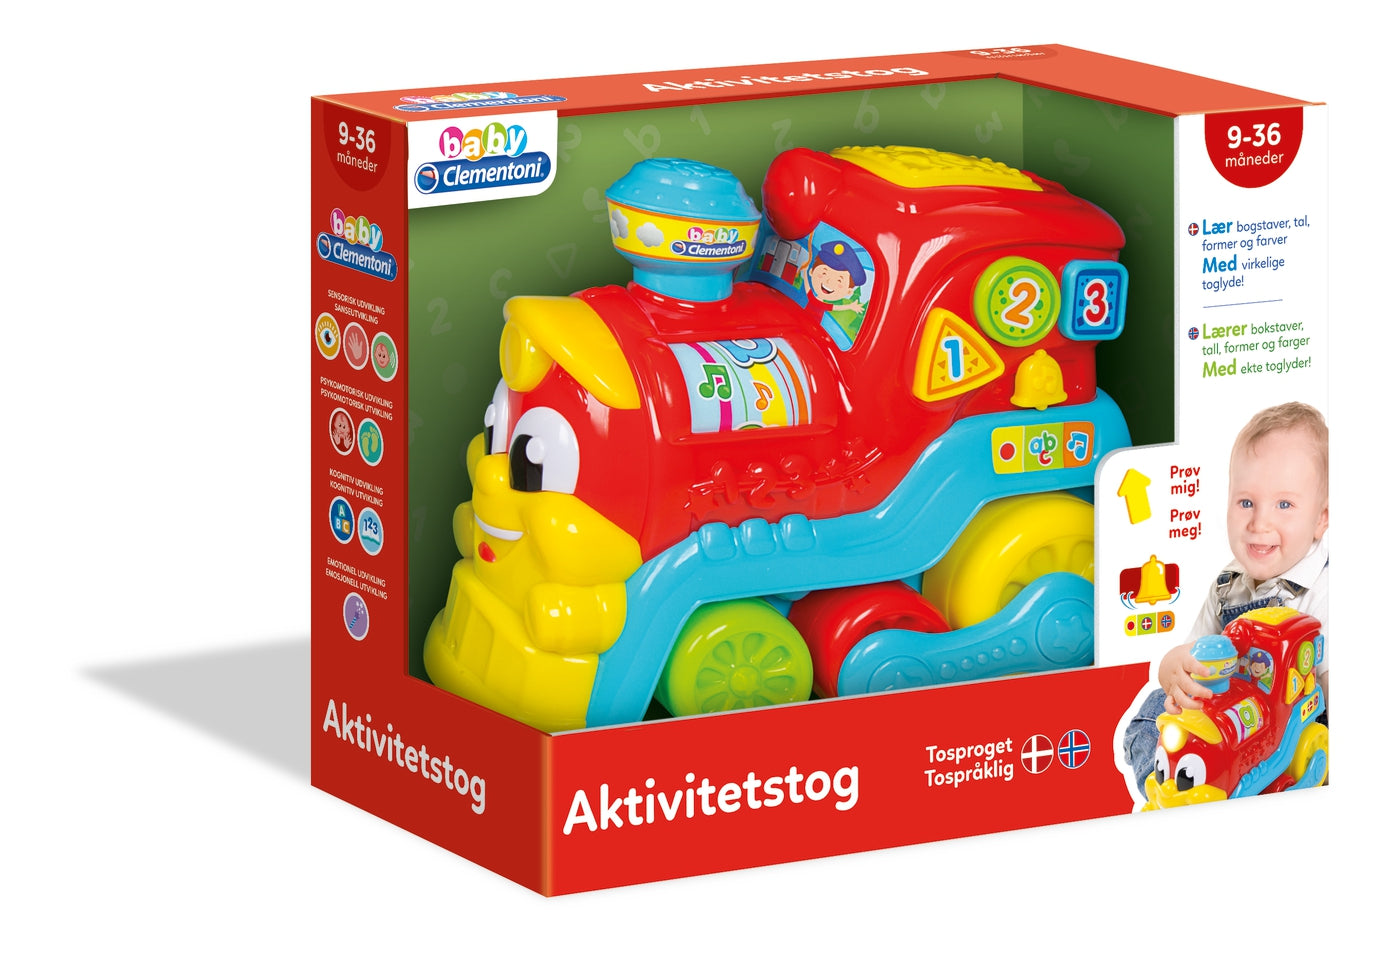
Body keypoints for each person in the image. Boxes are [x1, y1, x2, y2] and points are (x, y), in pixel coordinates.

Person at [1122, 402, 1329, 795]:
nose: (1259, 522)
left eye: (1284, 505)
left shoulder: (1325, 590)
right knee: (1152, 710)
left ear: (1321, 518)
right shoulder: (1227, 585)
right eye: (1246, 502)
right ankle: (1165, 787)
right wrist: (1173, 669)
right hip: (1229, 716)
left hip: (1286, 717)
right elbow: (1191, 656)